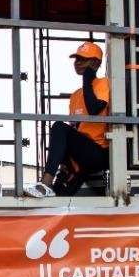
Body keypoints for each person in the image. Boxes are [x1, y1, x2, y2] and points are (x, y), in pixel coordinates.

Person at [25, 41, 109, 197]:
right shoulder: (76, 95)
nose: (77, 63)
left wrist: (88, 77)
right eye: (76, 59)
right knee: (60, 195)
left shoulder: (104, 83)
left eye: (83, 59)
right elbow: (74, 131)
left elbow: (94, 108)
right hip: (81, 155)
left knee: (58, 126)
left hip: (99, 152)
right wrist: (66, 163)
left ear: (96, 63)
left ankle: (45, 182)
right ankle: (52, 186)